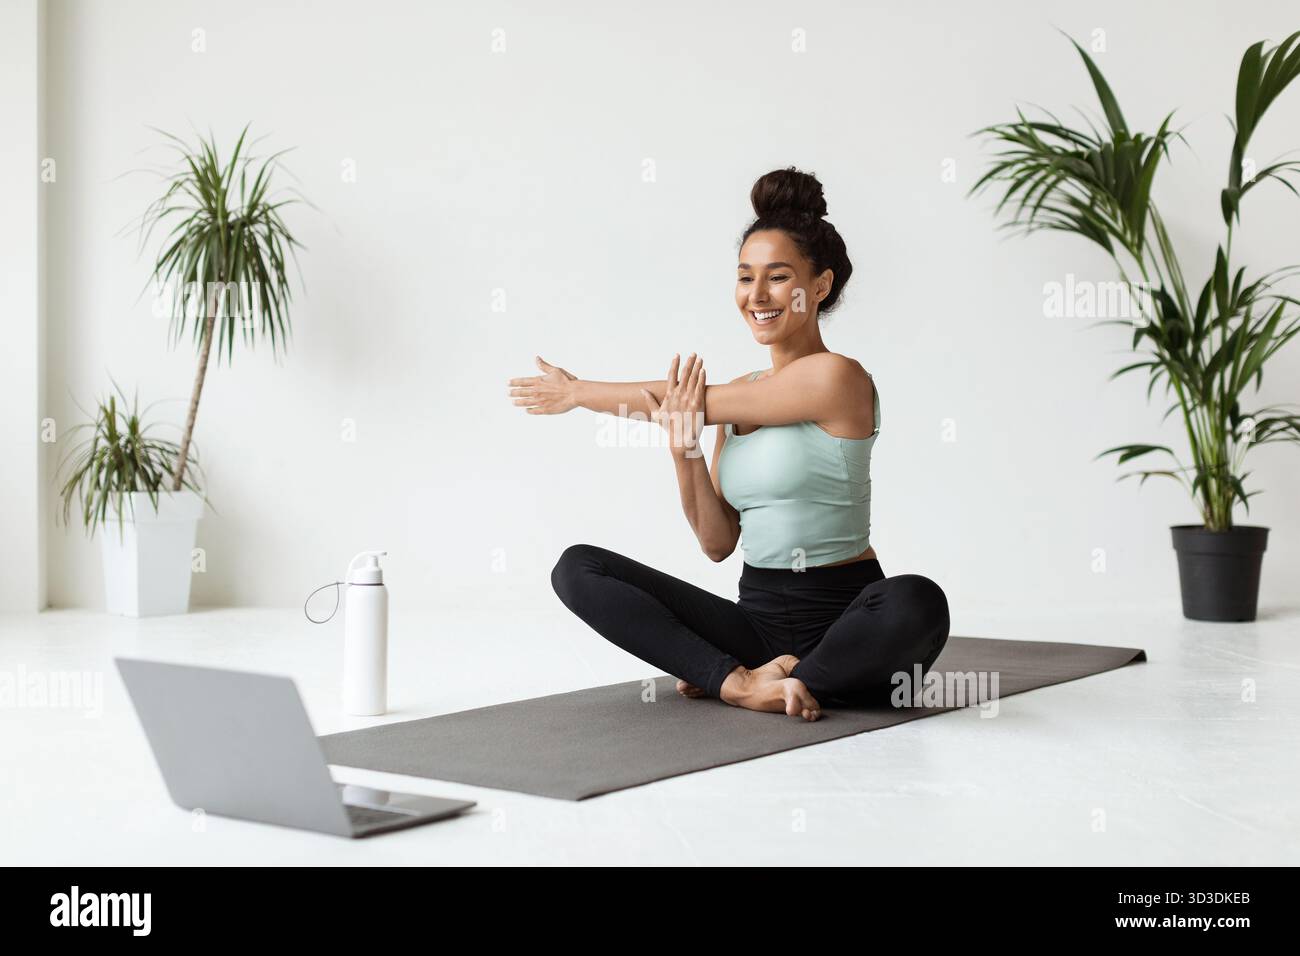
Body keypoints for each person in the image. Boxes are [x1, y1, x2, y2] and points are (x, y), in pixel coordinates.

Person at [508, 167, 950, 721]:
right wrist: (684, 449)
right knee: (578, 568)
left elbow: (676, 400)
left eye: (778, 277)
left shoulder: (838, 378)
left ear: (820, 286)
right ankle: (743, 682)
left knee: (917, 600)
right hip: (757, 623)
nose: (757, 295)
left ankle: (782, 678)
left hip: (846, 618)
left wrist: (577, 392)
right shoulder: (739, 396)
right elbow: (718, 544)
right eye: (745, 277)